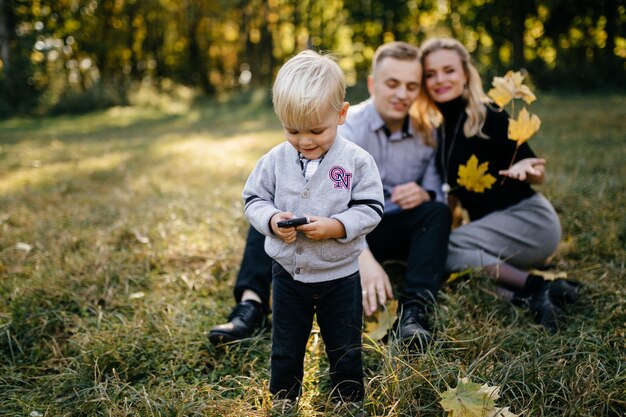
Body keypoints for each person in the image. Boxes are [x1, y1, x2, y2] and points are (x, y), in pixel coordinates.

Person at [210, 41, 451, 349]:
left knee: (436, 214)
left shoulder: (428, 131)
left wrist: (426, 192)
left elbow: (439, 194)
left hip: (391, 224)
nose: (402, 93)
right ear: (373, 84)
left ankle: (414, 311)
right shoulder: (343, 126)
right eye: (392, 83)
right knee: (272, 212)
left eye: (411, 86)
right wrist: (363, 258)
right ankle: (251, 304)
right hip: (334, 226)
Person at [241, 49, 384, 405]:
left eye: (316, 130)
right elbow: (253, 200)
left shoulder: (356, 161)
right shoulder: (273, 160)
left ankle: (347, 397)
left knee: (345, 344)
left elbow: (371, 208)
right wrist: (272, 221)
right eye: (293, 130)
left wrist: (337, 226)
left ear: (342, 114)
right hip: (288, 274)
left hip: (341, 275)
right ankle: (283, 397)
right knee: (287, 342)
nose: (305, 141)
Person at [413, 37, 580, 332]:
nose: (440, 79)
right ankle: (529, 297)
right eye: (430, 74)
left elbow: (537, 173)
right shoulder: (441, 131)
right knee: (453, 269)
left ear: (465, 73)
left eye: (449, 70)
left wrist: (524, 168)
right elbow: (451, 195)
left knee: (444, 250)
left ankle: (537, 284)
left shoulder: (488, 114)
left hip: (529, 221)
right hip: (494, 231)